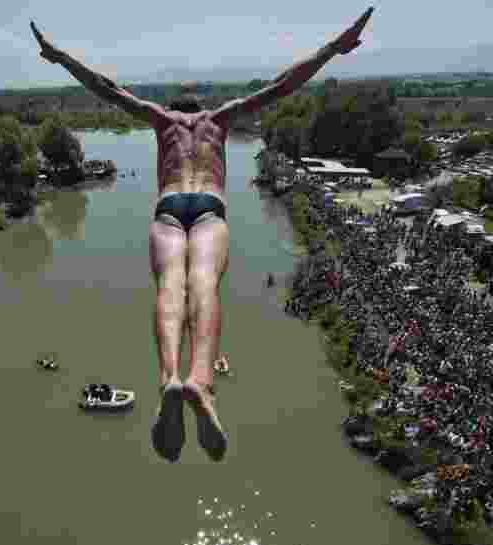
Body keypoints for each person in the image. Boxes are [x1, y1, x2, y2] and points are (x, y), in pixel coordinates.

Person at [30, 8, 374, 462]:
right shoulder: (221, 118)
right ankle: (201, 384)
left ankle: (168, 378)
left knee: (170, 286)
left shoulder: (161, 120)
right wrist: (334, 48)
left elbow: (107, 89)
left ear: (175, 108)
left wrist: (61, 58)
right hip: (210, 208)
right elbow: (282, 84)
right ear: (202, 110)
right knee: (204, 286)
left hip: (168, 207)